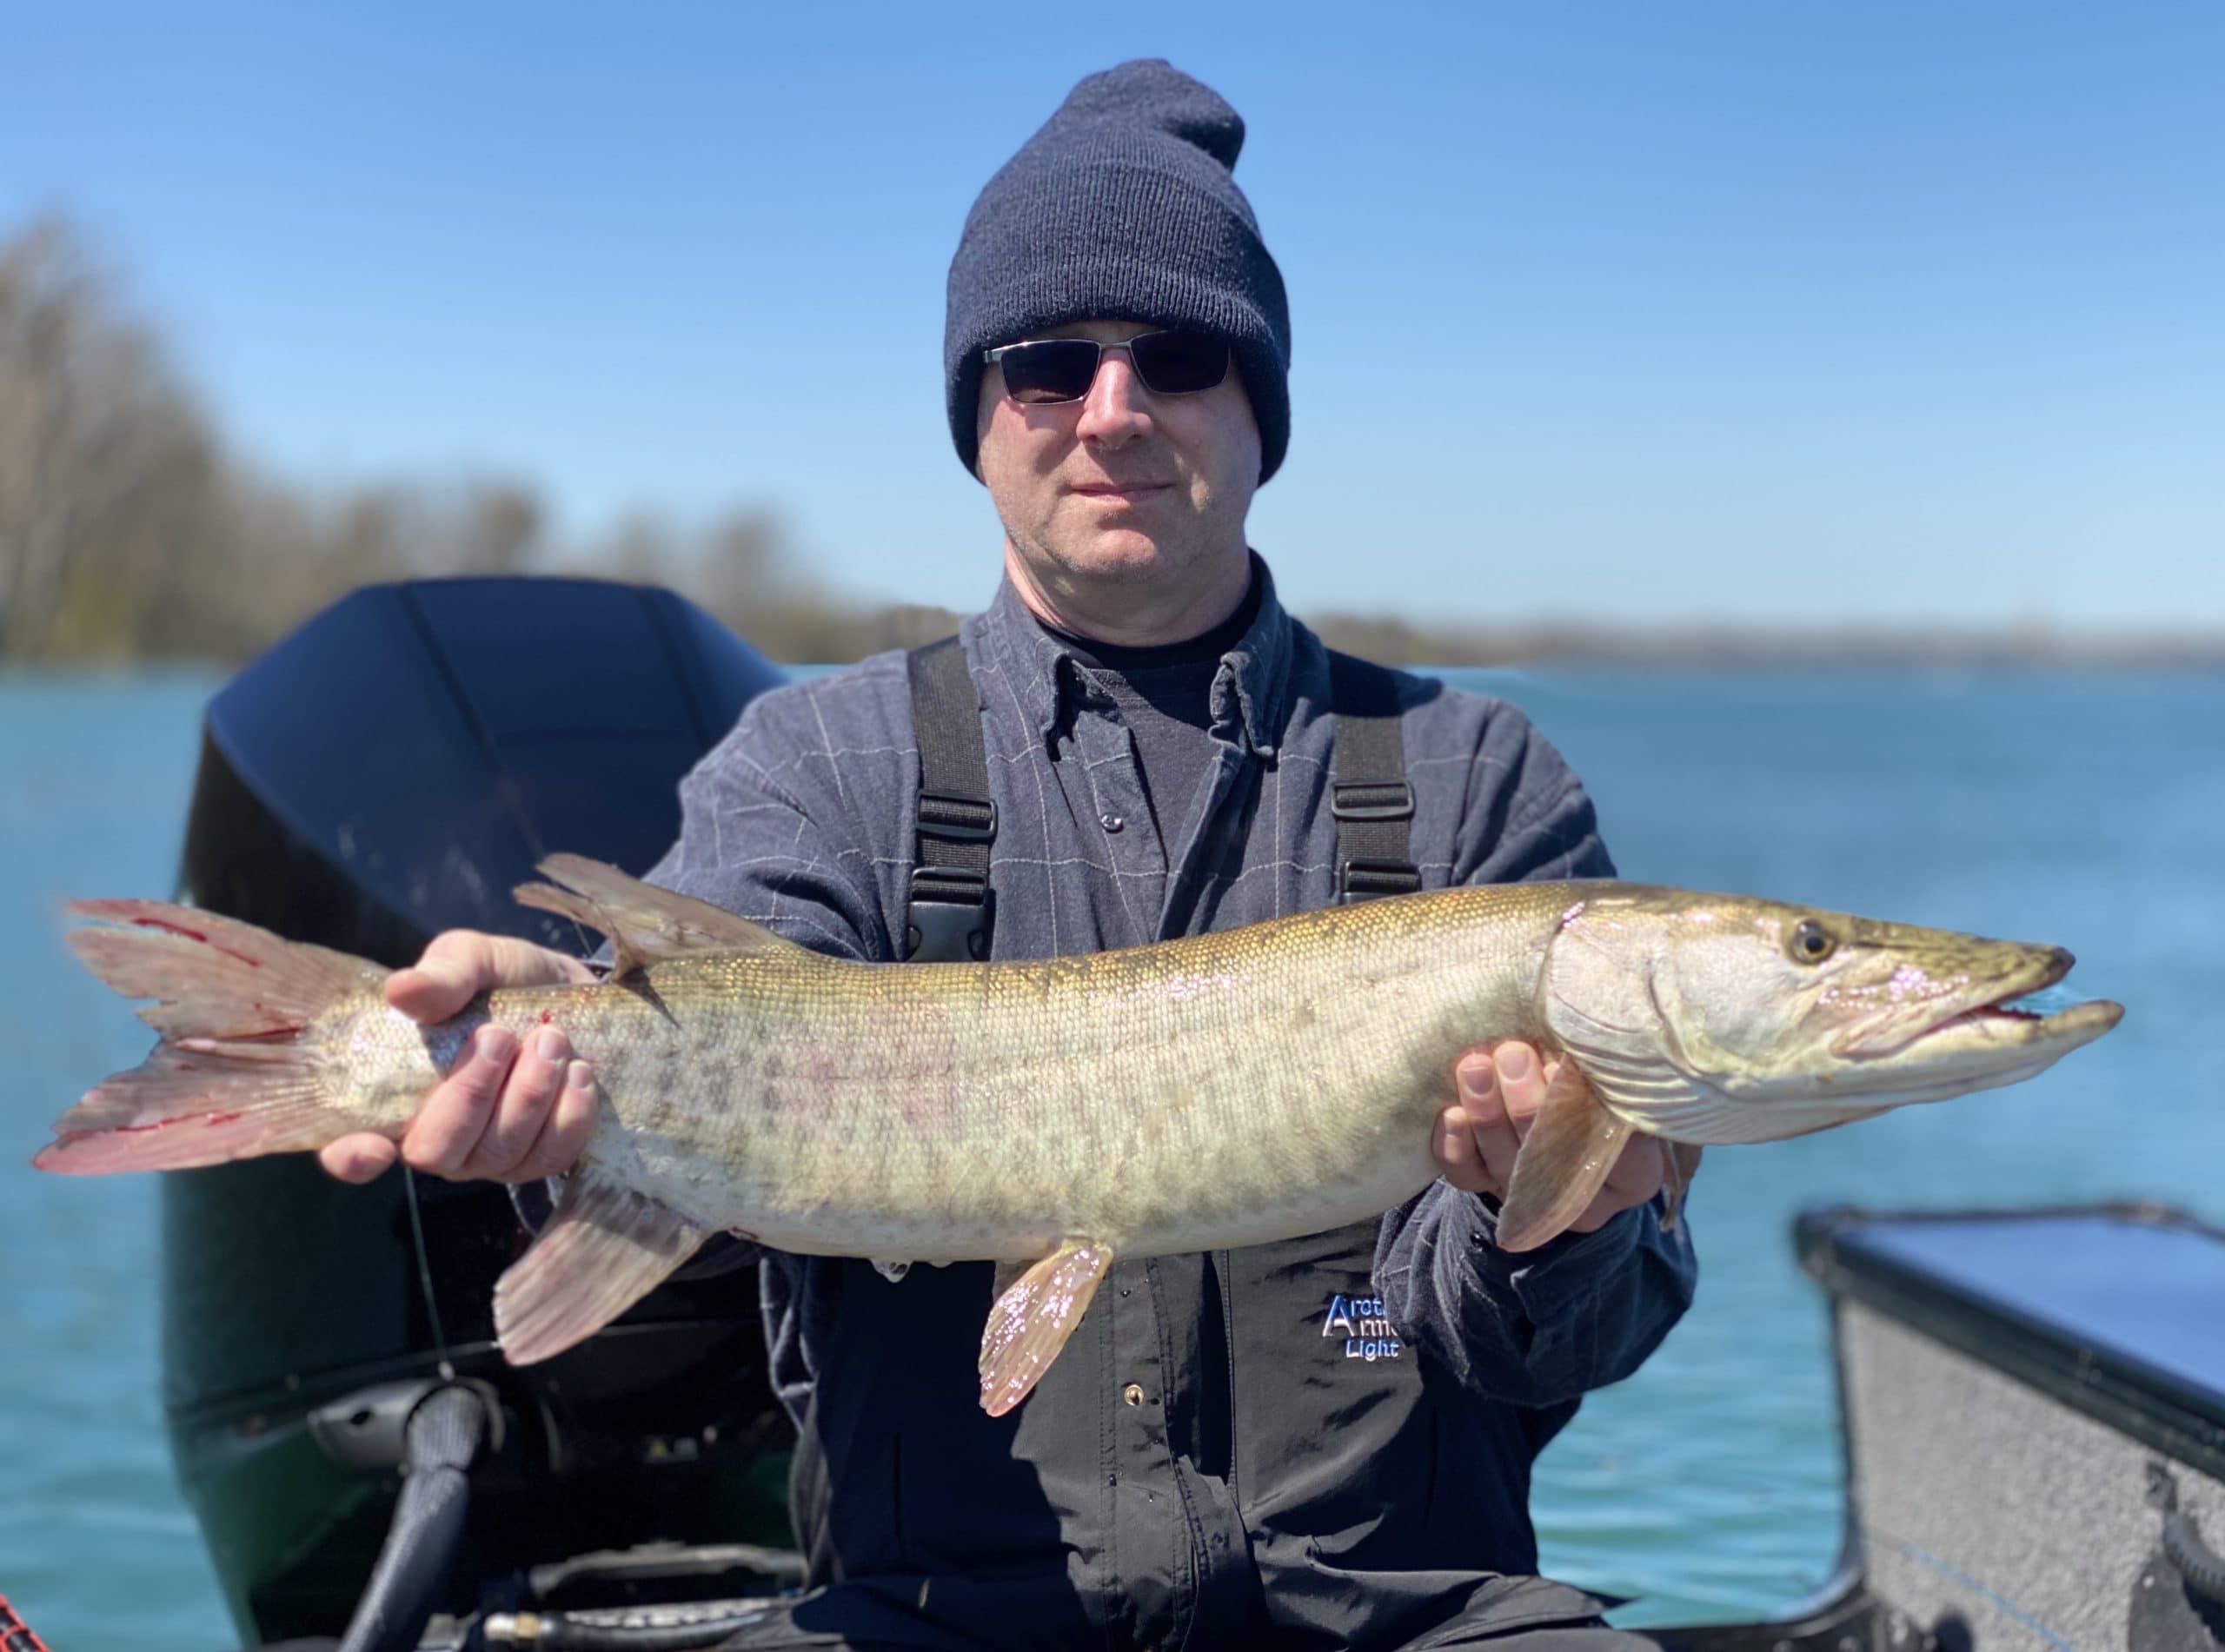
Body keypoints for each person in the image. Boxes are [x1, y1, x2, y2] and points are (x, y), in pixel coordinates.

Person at [319, 60, 1697, 1651]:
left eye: (1178, 356)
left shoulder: (1476, 783)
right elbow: (698, 1141)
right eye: (1050, 365)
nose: (1113, 409)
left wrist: (1572, 1214)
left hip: (1411, 1614)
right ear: (981, 417)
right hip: (929, 1617)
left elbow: (1536, 1349)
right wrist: (560, 1127)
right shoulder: (820, 768)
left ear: (1263, 412)